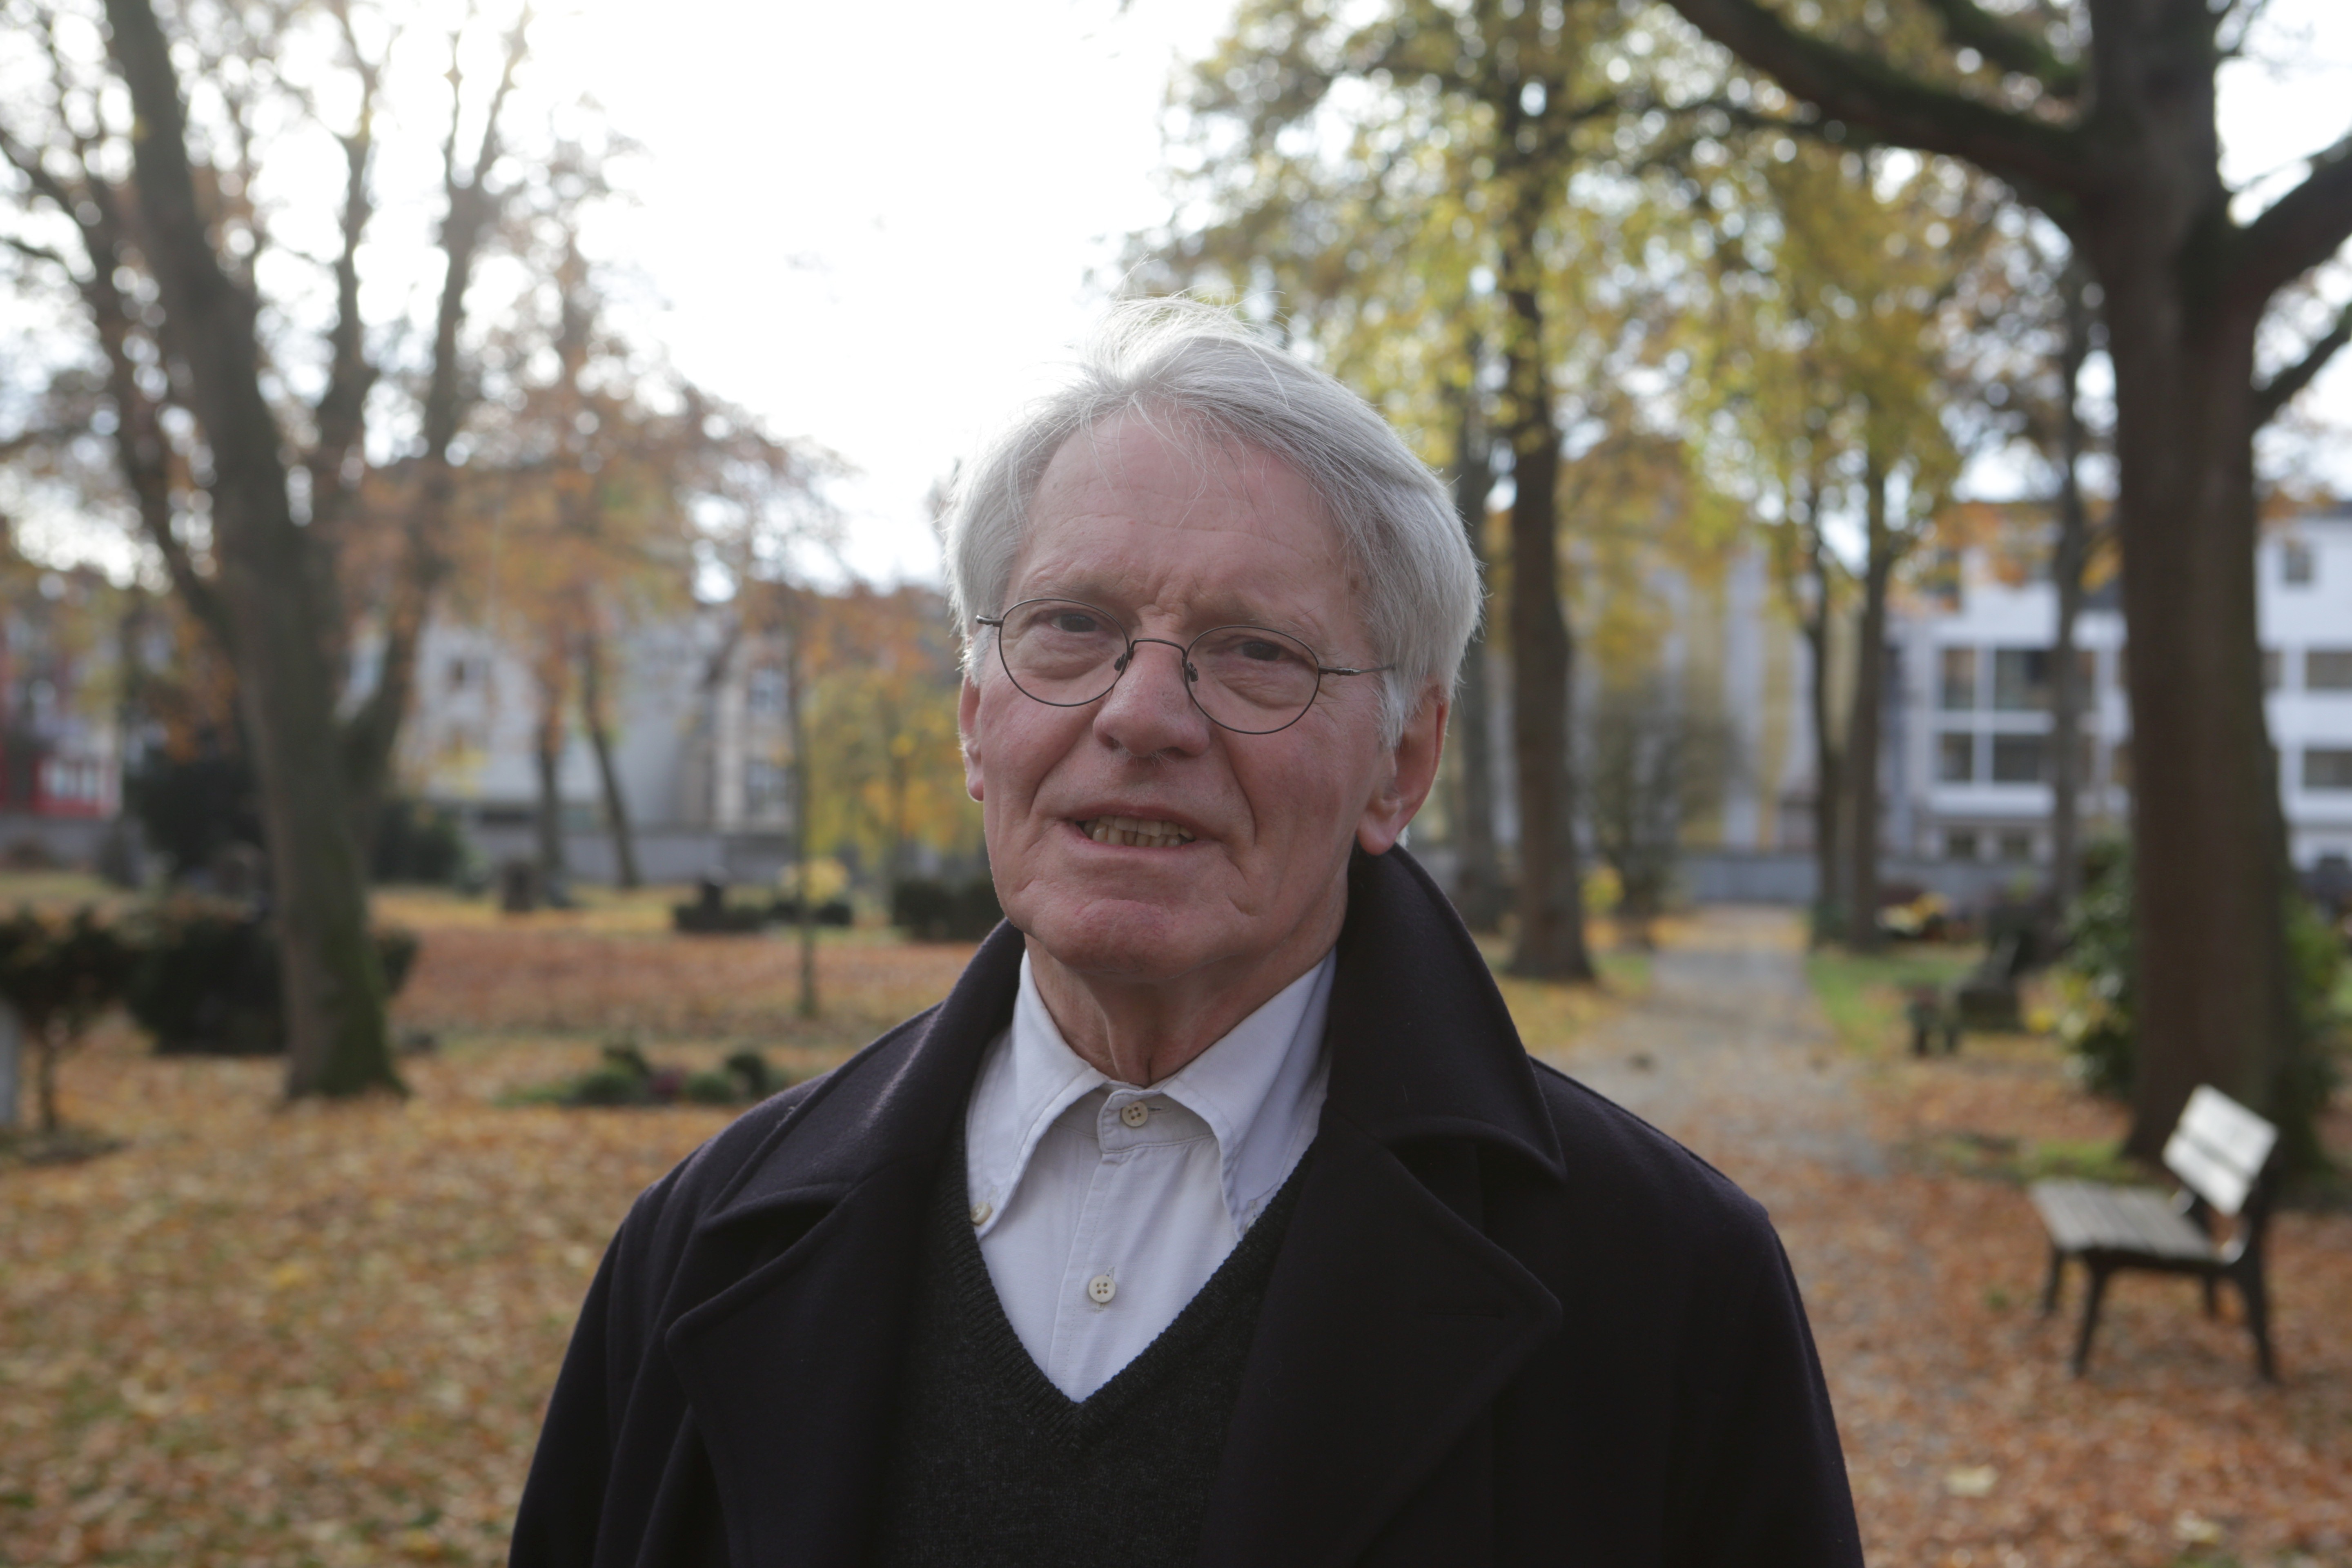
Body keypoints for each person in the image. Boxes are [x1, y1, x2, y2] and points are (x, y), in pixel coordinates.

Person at [509, 301, 1862, 1567]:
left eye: (1254, 651)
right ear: (978, 720)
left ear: (1404, 761)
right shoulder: (703, 1244)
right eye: (1072, 627)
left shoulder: (1670, 1292)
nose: (1143, 713)